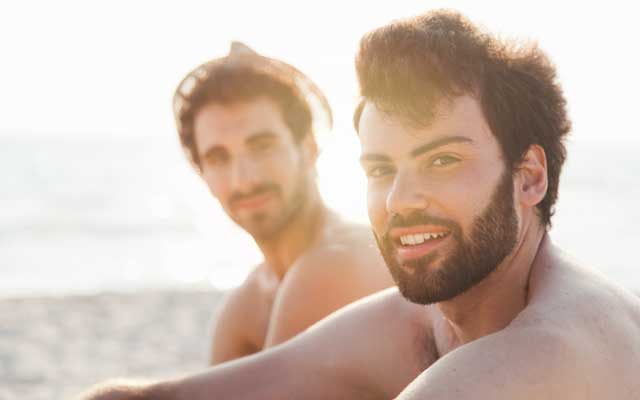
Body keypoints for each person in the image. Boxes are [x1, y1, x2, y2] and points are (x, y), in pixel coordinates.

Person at [79, 10, 640, 400]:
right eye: (380, 169)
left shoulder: (546, 349)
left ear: (529, 176)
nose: (400, 200)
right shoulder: (425, 319)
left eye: (442, 160)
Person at [172, 42, 392, 364]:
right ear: (202, 174)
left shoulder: (339, 261)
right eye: (219, 158)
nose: (244, 179)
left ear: (309, 147)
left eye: (262, 146)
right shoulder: (249, 300)